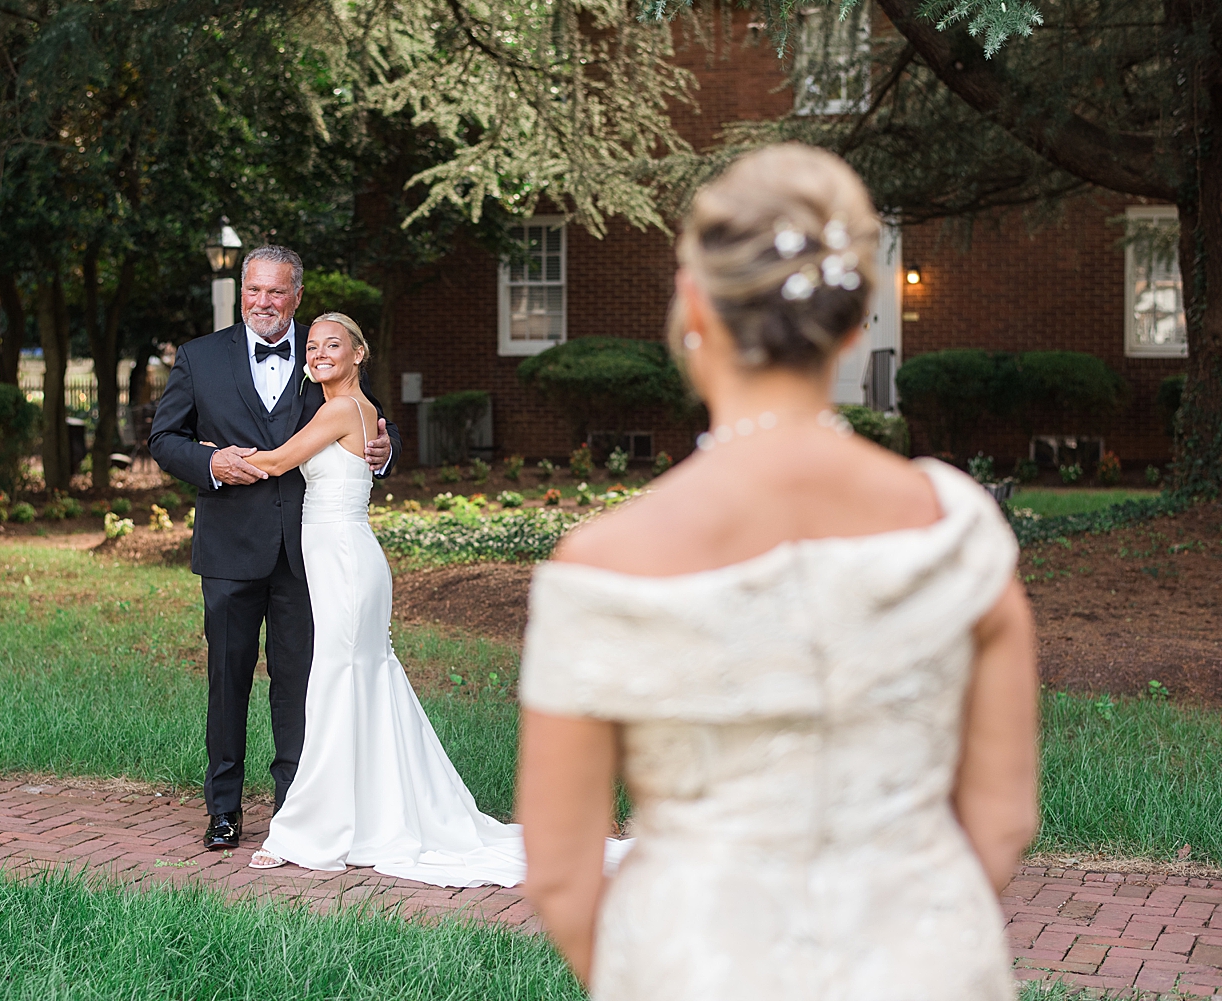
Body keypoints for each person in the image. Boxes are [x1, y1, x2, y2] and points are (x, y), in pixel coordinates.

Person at [516, 144, 1039, 1000]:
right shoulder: (957, 528)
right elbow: (1004, 819)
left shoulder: (606, 560)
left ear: (695, 304)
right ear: (858, 313)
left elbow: (563, 879)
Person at [236, 312, 534, 887]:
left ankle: (311, 829)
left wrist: (213, 453)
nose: (320, 353)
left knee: (334, 681)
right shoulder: (356, 409)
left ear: (358, 354)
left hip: (345, 561)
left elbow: (275, 463)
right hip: (345, 559)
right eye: (314, 345)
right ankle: (370, 814)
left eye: (334, 345)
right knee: (361, 681)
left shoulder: (342, 410)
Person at [148, 246, 401, 852]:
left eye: (276, 292)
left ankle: (295, 805)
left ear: (296, 297)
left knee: (301, 684)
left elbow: (373, 425)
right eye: (253, 291)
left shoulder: (324, 362)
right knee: (227, 680)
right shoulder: (200, 358)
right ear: (243, 293)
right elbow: (163, 438)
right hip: (229, 548)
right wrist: (210, 462)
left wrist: (385, 455)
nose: (263, 302)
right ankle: (224, 809)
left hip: (306, 553)